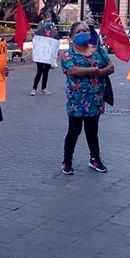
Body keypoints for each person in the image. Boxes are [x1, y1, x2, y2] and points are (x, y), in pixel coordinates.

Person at [61, 21, 114, 175]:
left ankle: (95, 159)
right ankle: (67, 161)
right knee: (74, 131)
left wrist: (100, 72)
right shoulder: (68, 54)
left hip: (95, 99)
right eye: (78, 31)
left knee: (92, 131)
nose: (83, 33)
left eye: (85, 30)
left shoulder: (98, 50)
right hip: (77, 101)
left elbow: (111, 67)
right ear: (71, 37)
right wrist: (94, 69)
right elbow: (72, 71)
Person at [31, 14, 59, 96]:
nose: (48, 23)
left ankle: (43, 88)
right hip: (40, 55)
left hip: (49, 55)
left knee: (46, 71)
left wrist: (56, 54)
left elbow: (56, 45)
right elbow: (35, 41)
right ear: (44, 22)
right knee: (39, 71)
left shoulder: (54, 33)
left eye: (49, 21)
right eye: (47, 21)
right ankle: (34, 88)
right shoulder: (39, 31)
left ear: (52, 22)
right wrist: (33, 36)